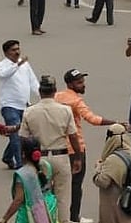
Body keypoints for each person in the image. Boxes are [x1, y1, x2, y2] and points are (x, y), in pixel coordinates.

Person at [57, 68, 125, 223]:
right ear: (70, 84)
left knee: (60, 185)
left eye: (83, 81)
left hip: (60, 148)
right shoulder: (76, 101)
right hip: (76, 149)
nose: (83, 84)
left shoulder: (57, 97)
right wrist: (114, 122)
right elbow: (92, 119)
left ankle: (60, 216)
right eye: (79, 82)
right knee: (75, 185)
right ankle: (74, 217)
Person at [19, 75, 79, 223]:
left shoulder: (29, 111)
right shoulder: (65, 110)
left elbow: (23, 139)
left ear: (40, 91)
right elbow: (73, 136)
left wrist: (24, 159)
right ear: (54, 91)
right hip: (60, 156)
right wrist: (77, 157)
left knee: (39, 197)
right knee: (63, 197)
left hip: (38, 158)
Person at [0, 40, 40, 170]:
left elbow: (32, 80)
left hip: (25, 105)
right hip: (9, 106)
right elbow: (4, 75)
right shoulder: (3, 65)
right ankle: (20, 165)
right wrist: (17, 65)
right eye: (13, 50)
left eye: (18, 49)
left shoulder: (25, 64)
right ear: (6, 53)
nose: (17, 52)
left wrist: (42, 94)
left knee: (24, 135)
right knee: (16, 136)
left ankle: (8, 156)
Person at [0, 136, 58, 223]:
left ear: (23, 154)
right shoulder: (46, 166)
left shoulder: (23, 174)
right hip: (49, 208)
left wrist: (4, 219)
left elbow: (19, 199)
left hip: (30, 213)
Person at [91, 124, 131, 223]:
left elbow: (103, 181)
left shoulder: (113, 159)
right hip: (130, 203)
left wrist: (98, 168)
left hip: (115, 206)